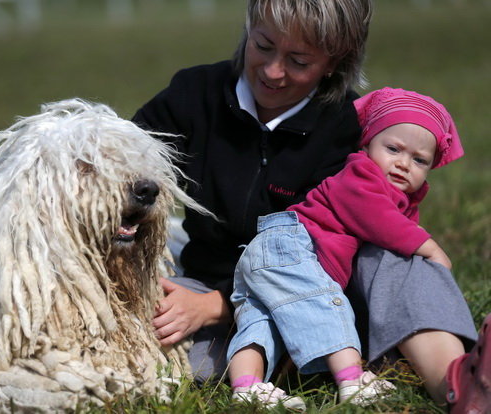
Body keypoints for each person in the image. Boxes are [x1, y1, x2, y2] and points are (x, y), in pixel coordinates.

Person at [131, 0, 489, 411]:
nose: (272, 71)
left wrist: (213, 306)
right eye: (262, 45)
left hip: (328, 287)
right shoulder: (194, 95)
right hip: (215, 285)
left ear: (335, 62)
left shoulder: (348, 128)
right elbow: (124, 164)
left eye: (298, 60)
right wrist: (207, 302)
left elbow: (360, 227)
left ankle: (461, 381)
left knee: (397, 254)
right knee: (167, 351)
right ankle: (349, 360)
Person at [227, 87, 460, 408]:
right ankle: (351, 379)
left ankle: (247, 385)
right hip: (295, 244)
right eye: (393, 149)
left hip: (266, 252)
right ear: (366, 144)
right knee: (325, 302)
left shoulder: (395, 193)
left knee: (260, 319)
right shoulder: (360, 174)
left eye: (419, 160)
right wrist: (429, 247)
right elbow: (379, 220)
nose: (404, 164)